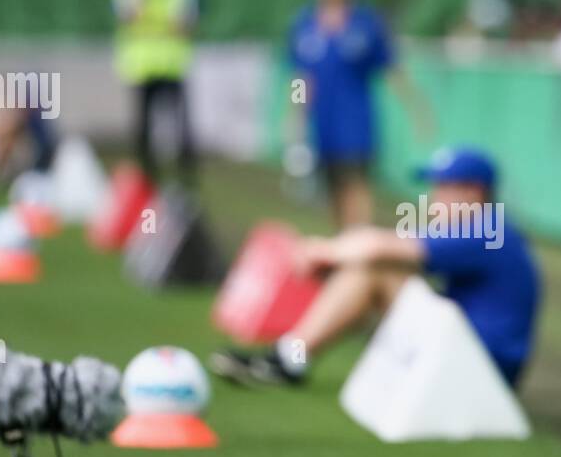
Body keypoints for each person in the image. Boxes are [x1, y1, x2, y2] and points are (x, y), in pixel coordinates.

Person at [209, 147, 539, 390]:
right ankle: (290, 357)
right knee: (371, 269)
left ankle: (288, 360)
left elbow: (381, 247)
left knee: (374, 268)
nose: (433, 199)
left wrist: (321, 250)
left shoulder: (486, 229)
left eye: (442, 188)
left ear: (472, 192)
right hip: (476, 356)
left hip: (485, 369)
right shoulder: (489, 227)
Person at [285, 0, 433, 229]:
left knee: (357, 189)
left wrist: (417, 109)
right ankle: (344, 254)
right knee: (332, 194)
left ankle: (360, 254)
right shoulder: (304, 25)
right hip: (322, 124)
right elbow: (302, 79)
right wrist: (296, 120)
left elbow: (392, 70)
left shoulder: (366, 24)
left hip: (356, 124)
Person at [112, 0, 199, 185]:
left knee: (180, 129)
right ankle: (148, 181)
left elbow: (185, 24)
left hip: (171, 67)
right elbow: (128, 16)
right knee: (143, 131)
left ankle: (186, 182)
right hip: (141, 69)